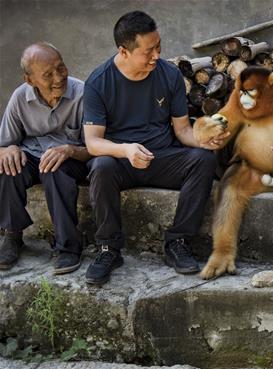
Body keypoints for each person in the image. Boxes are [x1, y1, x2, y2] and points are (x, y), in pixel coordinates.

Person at [82, 11, 228, 286]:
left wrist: (204, 141)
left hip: (162, 158)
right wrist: (125, 150)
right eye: (148, 51)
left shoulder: (169, 74)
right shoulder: (98, 82)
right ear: (124, 51)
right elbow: (92, 142)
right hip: (121, 161)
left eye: (158, 47)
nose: (156, 56)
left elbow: (183, 131)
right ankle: (108, 250)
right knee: (101, 165)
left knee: (203, 159)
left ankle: (178, 242)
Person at [0, 43, 92, 274]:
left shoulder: (83, 93)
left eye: (61, 68)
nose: (59, 77)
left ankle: (68, 246)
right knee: (8, 167)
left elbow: (96, 145)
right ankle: (12, 235)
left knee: (54, 169)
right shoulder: (20, 98)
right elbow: (3, 144)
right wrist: (8, 149)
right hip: (33, 154)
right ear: (30, 80)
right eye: (48, 75)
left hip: (74, 157)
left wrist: (70, 150)